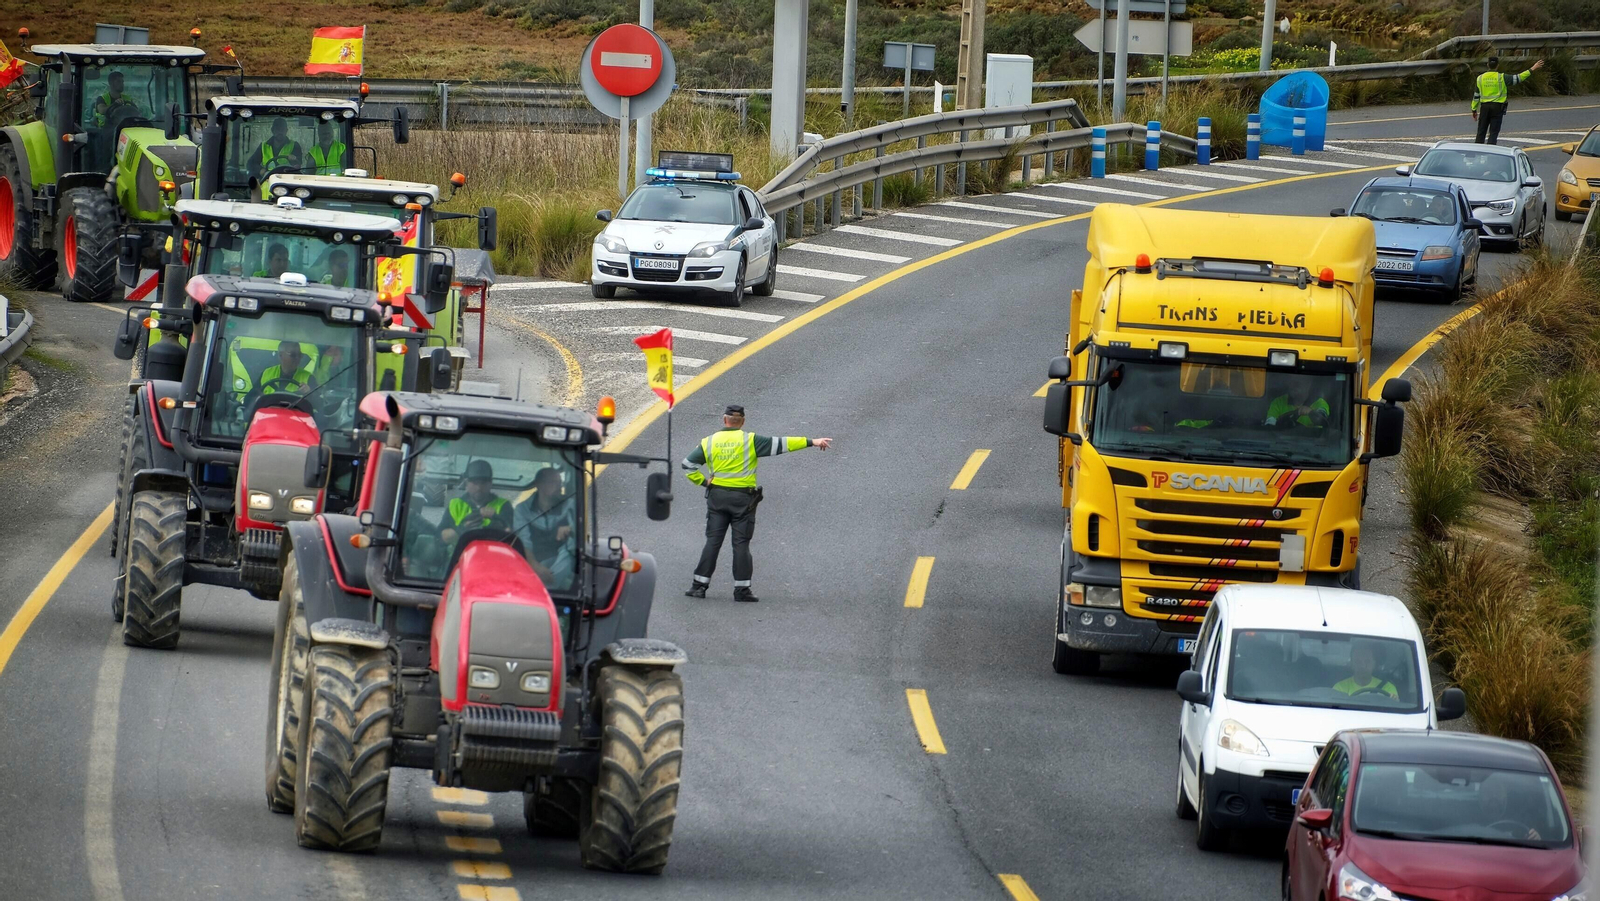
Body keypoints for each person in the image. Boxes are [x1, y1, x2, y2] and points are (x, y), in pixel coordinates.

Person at [681, 404, 833, 602]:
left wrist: (703, 481)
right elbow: (782, 444)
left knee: (713, 542)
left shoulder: (709, 442)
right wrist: (812, 441)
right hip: (743, 500)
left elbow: (688, 465)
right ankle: (742, 590)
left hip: (717, 497)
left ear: (723, 419)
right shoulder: (750, 440)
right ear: (743, 421)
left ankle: (699, 587)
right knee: (741, 544)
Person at [515, 467, 577, 586]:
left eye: (560, 483)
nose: (559, 487)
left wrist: (570, 530)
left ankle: (544, 587)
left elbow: (581, 532)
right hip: (535, 562)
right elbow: (523, 542)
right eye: (553, 482)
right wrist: (535, 566)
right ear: (539, 485)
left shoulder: (570, 505)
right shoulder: (523, 510)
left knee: (570, 545)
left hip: (564, 563)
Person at [440, 459, 513, 546]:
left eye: (483, 483)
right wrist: (463, 528)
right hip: (459, 556)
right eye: (475, 483)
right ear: (466, 483)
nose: (479, 487)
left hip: (493, 555)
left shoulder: (503, 505)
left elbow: (512, 536)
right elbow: (440, 538)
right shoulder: (455, 505)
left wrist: (496, 520)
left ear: (490, 483)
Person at [1473, 56, 1543, 145]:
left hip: (1484, 108)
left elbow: (1476, 96)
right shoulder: (1502, 77)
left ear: (1488, 65)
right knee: (1493, 133)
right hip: (1497, 108)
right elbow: (1518, 78)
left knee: (1481, 132)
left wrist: (1474, 109)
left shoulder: (1480, 78)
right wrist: (1532, 68)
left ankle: (1476, 153)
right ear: (1497, 66)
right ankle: (1491, 154)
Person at [1479, 775, 1541, 841]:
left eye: (1498, 792)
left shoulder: (1522, 816)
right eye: (1488, 792)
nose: (1493, 797)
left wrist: (1536, 838)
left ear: (1505, 794)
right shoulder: (1469, 817)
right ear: (1480, 796)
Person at [1332, 642, 1398, 699]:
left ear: (1374, 664)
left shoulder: (1387, 688)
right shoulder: (1339, 688)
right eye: (1358, 662)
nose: (1362, 666)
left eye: (1367, 661)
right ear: (1351, 664)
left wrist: (1394, 701)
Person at [1265, 380, 1330, 429]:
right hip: (1282, 442)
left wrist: (1310, 412)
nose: (1293, 387)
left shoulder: (1320, 403)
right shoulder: (1278, 402)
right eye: (1291, 383)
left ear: (1308, 385)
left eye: (1298, 384)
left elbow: (1321, 419)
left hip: (1313, 443)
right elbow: (1270, 426)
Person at [254, 117, 301, 182]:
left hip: (287, 180)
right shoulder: (263, 145)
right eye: (278, 129)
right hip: (267, 179)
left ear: (286, 131)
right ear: (272, 130)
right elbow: (251, 163)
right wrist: (260, 170)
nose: (280, 132)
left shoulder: (294, 145)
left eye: (282, 129)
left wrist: (294, 159)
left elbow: (298, 164)